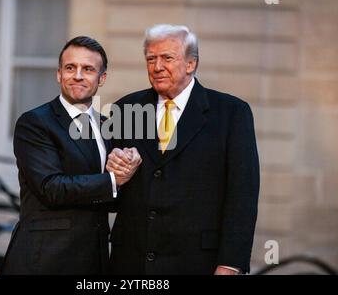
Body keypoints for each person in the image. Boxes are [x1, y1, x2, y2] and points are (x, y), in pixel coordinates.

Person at [106, 24, 260, 275]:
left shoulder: (231, 113)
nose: (157, 67)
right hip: (131, 261)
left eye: (167, 58)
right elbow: (108, 190)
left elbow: (243, 195)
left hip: (198, 262)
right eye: (151, 59)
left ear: (191, 64)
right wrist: (114, 175)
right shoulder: (124, 109)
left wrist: (230, 264)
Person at [0, 36, 140, 274]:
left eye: (88, 69)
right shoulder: (35, 123)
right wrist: (113, 180)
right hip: (43, 261)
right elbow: (51, 188)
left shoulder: (106, 126)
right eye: (70, 68)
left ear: (101, 78)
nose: (77, 75)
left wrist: (128, 164)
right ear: (59, 74)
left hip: (94, 261)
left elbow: (112, 195)